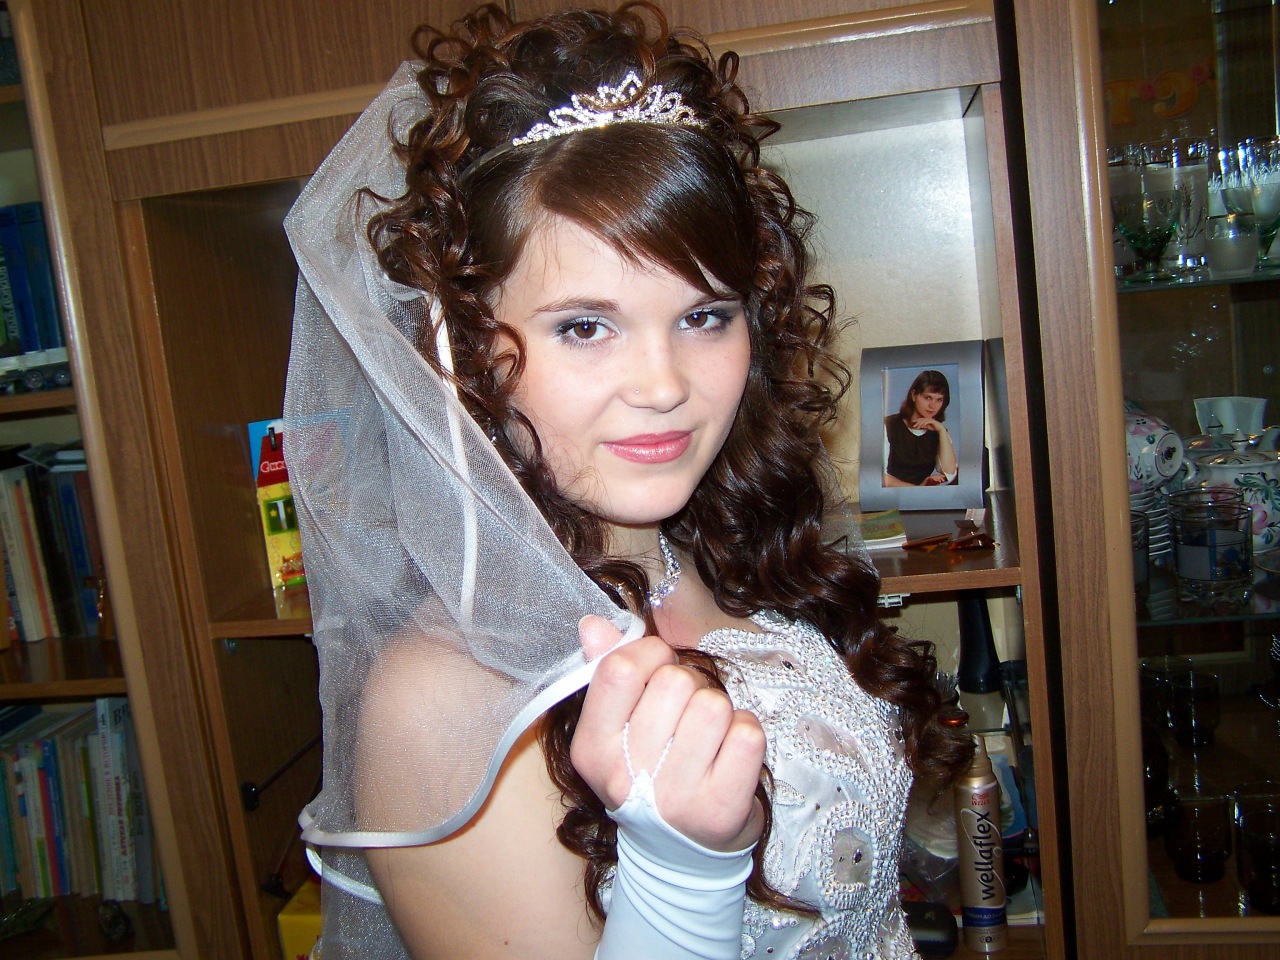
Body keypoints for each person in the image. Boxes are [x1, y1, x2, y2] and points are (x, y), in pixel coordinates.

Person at [283, 4, 973, 959]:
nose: (664, 386)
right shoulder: (444, 700)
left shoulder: (730, 554)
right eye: (584, 326)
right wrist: (683, 879)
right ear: (468, 350)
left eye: (705, 316)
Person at [883, 370, 958, 487]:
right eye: (928, 398)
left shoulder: (939, 431)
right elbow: (878, 477)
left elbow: (950, 473)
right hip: (890, 496)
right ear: (913, 395)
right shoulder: (888, 425)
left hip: (922, 496)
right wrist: (917, 489)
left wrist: (942, 430)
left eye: (939, 400)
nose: (933, 406)